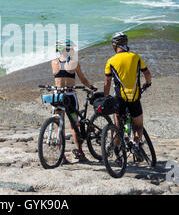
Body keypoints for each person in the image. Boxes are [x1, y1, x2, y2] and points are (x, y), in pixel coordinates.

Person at [103, 32, 152, 162]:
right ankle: (136, 144)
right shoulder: (135, 57)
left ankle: (116, 148)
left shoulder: (111, 61)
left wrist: (106, 97)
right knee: (138, 126)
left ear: (115, 45)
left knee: (118, 127)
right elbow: (147, 73)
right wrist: (148, 83)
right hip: (135, 98)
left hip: (119, 99)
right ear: (126, 43)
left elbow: (107, 82)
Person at [51, 39, 96, 163]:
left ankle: (62, 156)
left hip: (57, 96)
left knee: (59, 125)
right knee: (74, 125)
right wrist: (91, 87)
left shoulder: (53, 62)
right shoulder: (74, 63)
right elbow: (83, 80)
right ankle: (80, 153)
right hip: (70, 97)